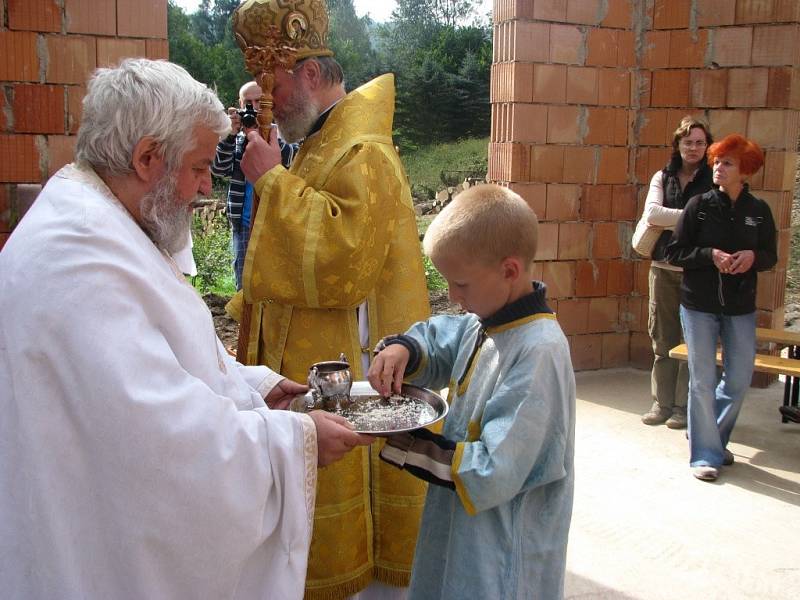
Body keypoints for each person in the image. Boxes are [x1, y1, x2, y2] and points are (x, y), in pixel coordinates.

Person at [0, 58, 374, 599]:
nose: (205, 187)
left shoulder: (99, 219)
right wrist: (296, 439)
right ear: (147, 157)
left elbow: (158, 357)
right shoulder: (78, 260)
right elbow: (160, 440)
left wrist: (252, 386)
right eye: (199, 167)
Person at [229, 2, 431, 598]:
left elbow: (344, 263)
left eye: (275, 81)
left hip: (345, 372)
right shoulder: (317, 145)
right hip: (305, 373)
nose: (267, 99)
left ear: (310, 74)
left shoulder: (363, 153)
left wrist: (272, 182)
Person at [368, 184, 576, 599]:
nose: (453, 296)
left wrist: (400, 437)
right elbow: (441, 340)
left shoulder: (540, 352)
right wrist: (403, 349)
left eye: (460, 284)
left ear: (509, 270)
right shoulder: (486, 319)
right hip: (461, 531)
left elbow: (494, 469)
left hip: (501, 551)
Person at [666, 134, 777, 481]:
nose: (717, 167)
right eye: (716, 161)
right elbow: (675, 252)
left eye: (726, 162)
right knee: (702, 379)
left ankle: (710, 435)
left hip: (740, 307)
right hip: (699, 305)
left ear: (744, 170)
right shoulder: (698, 206)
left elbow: (770, 255)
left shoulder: (758, 212)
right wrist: (709, 255)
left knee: (740, 378)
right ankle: (705, 455)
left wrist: (753, 257)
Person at [640, 116, 714, 429]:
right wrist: (692, 216)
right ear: (678, 145)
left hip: (698, 271)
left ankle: (684, 407)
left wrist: (672, 218)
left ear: (707, 146)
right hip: (662, 268)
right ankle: (661, 403)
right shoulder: (663, 175)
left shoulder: (714, 179)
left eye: (699, 142)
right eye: (688, 142)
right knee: (662, 338)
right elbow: (652, 213)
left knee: (692, 342)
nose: (693, 148)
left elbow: (714, 220)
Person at [211, 81, 297, 289]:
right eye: (248, 103)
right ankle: (245, 321)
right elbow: (219, 169)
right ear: (240, 105)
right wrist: (230, 135)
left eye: (259, 101)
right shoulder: (236, 138)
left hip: (276, 221)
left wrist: (264, 133)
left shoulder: (286, 133)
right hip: (243, 222)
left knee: (277, 281)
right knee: (244, 283)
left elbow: (290, 159)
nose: (255, 107)